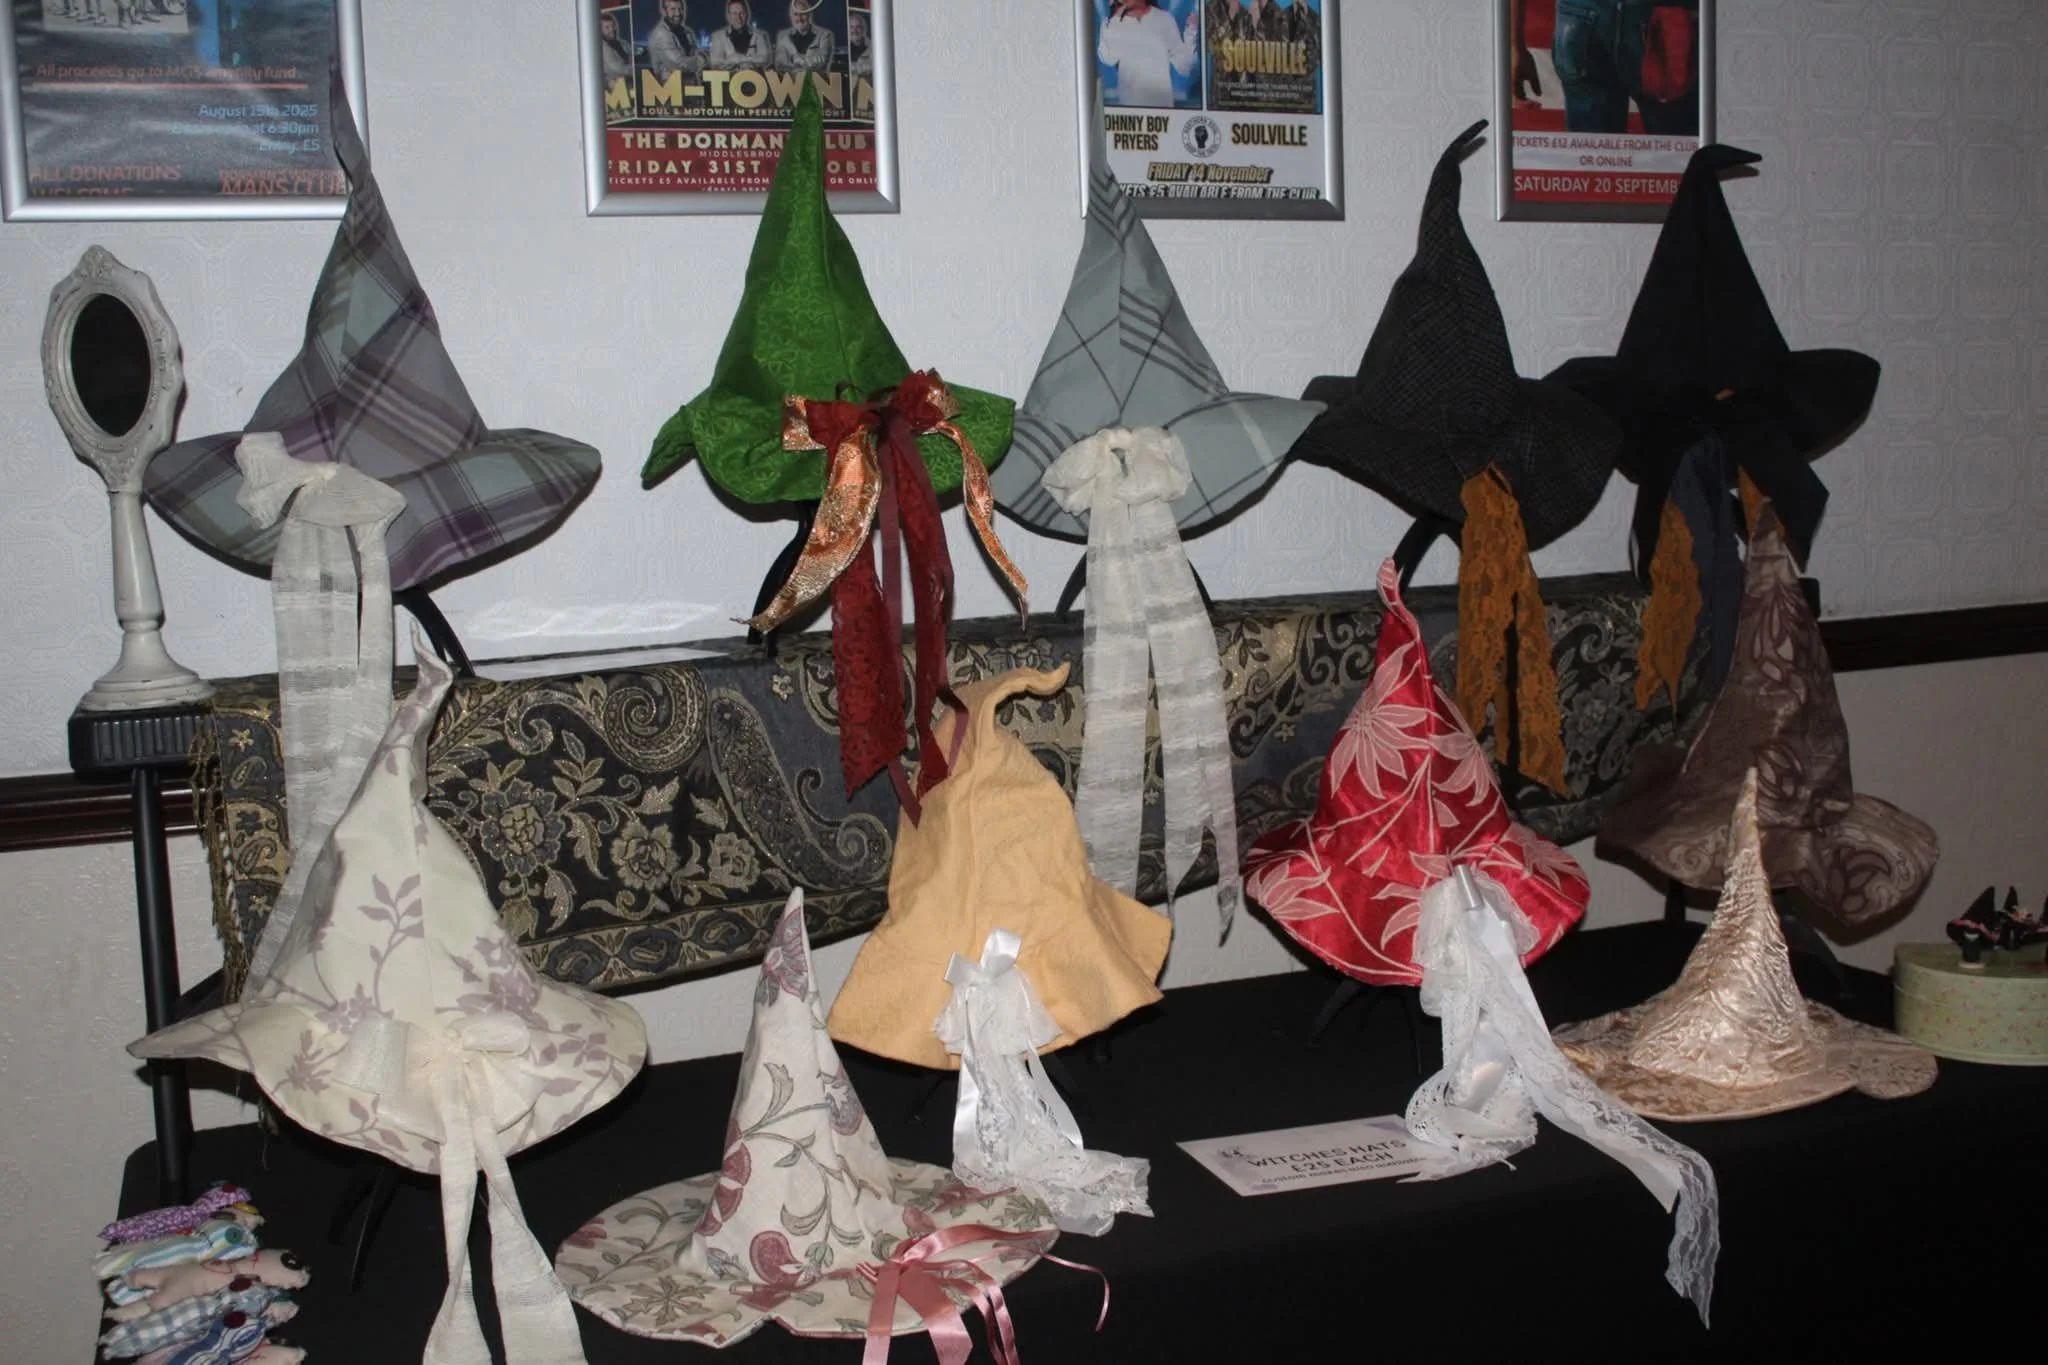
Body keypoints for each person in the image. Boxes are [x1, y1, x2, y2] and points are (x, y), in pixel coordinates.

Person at [1515, 0, 1700, 136]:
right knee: (1679, 160)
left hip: (1580, 17)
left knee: (1593, 162)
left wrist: (1514, 46)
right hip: (1664, 13)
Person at [1097, 0, 1197, 109]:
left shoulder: (1164, 19)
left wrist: (1191, 33)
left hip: (1162, 112)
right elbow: (1108, 58)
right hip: (1129, 114)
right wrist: (1114, 20)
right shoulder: (1111, 23)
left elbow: (1184, 66)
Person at [645, 0, 702, 81]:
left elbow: (696, 52)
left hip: (690, 84)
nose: (678, 13)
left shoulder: (688, 31)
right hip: (669, 88)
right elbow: (677, 64)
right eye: (673, 9)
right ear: (664, 11)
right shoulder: (660, 34)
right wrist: (702, 61)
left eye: (680, 9)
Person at [774, 0, 836, 71]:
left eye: (802, 14)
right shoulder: (782, 36)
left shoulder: (825, 35)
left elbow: (821, 61)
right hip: (790, 81)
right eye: (795, 14)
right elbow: (780, 64)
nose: (799, 18)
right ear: (791, 16)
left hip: (816, 81)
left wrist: (797, 60)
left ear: (809, 15)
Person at [707, 0, 770, 68]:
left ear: (747, 14)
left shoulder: (760, 35)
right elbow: (715, 62)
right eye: (734, 13)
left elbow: (765, 59)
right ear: (728, 16)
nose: (738, 17)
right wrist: (749, 60)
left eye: (741, 13)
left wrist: (737, 58)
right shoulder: (718, 37)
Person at [601, 10, 636, 88]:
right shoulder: (601, 47)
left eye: (612, 26)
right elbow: (615, 68)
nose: (611, 29)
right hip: (615, 86)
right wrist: (634, 70)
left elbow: (634, 57)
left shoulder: (623, 43)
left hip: (629, 81)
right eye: (607, 27)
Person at [846, 9, 873, 78]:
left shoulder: (874, 48)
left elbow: (872, 67)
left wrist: (848, 67)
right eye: (851, 27)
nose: (854, 31)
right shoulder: (844, 49)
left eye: (858, 27)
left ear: (864, 29)